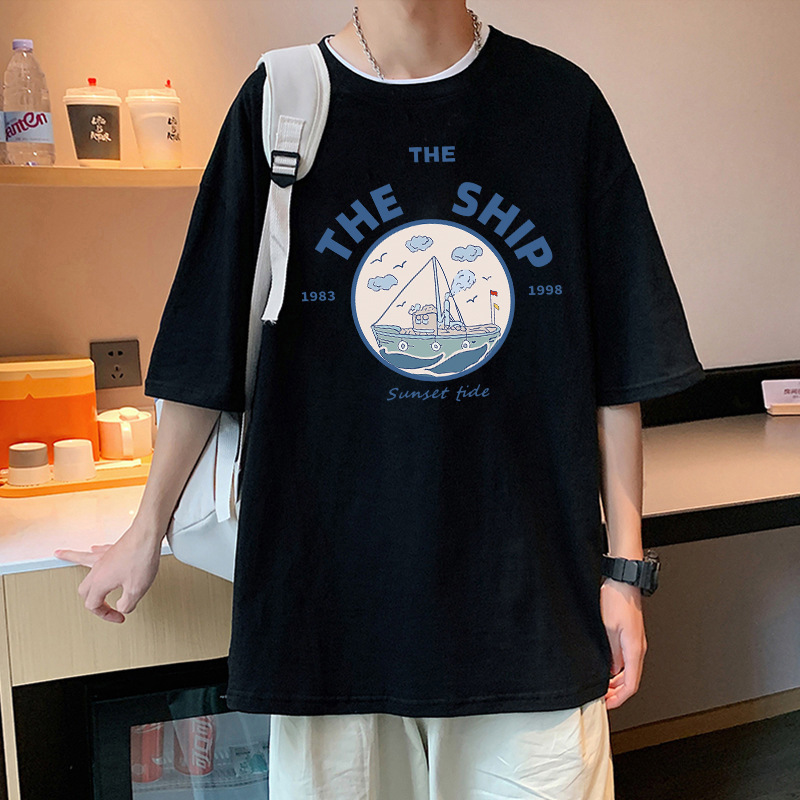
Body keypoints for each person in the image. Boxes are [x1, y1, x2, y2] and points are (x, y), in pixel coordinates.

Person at [55, 2, 706, 798]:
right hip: (330, 607)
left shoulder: (560, 105)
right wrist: (145, 526)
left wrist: (624, 573)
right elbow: (204, 343)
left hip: (529, 605)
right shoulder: (280, 102)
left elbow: (621, 367)